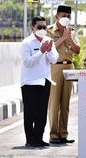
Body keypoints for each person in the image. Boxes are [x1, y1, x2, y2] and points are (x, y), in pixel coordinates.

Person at [20, 16, 59, 147]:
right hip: (29, 82)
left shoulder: (48, 40)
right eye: (39, 27)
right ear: (33, 28)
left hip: (45, 80)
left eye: (45, 27)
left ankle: (39, 138)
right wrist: (41, 52)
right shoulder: (26, 43)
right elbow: (28, 63)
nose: (42, 29)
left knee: (42, 112)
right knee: (30, 112)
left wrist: (48, 51)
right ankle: (30, 140)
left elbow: (54, 60)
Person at [47, 5, 80, 144]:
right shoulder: (50, 30)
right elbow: (49, 48)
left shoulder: (72, 31)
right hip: (55, 67)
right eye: (63, 16)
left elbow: (77, 50)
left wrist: (70, 38)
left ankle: (63, 134)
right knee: (54, 102)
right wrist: (63, 38)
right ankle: (54, 135)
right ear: (57, 17)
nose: (66, 18)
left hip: (69, 65)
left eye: (68, 16)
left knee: (66, 102)